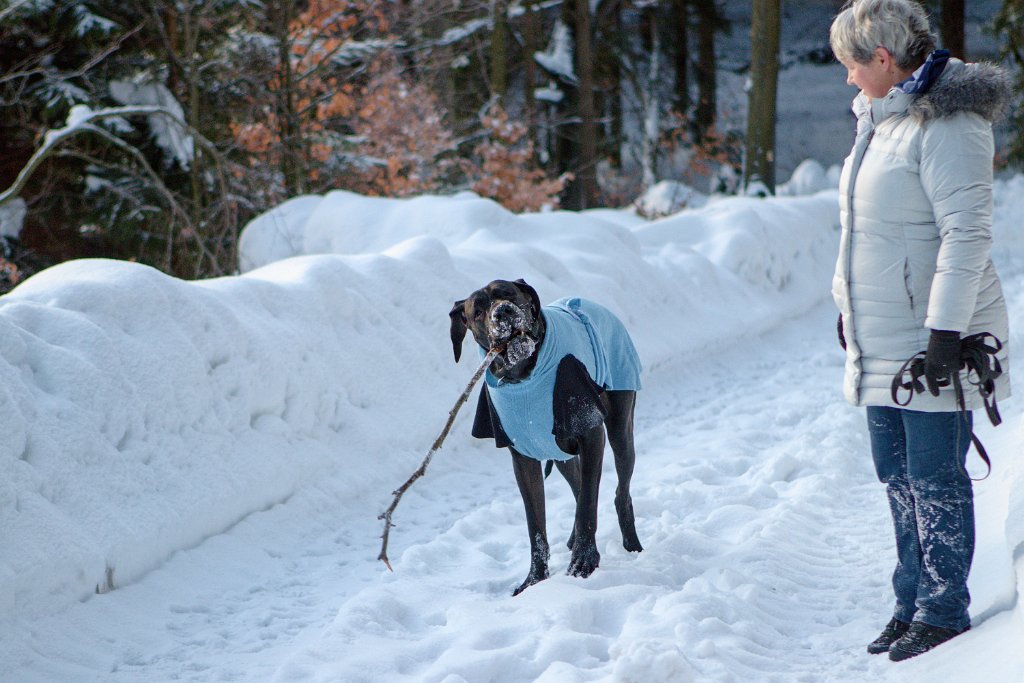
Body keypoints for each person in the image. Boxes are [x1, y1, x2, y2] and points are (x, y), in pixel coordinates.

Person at [828, 0, 1012, 662]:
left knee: (934, 474)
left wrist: (944, 331)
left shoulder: (949, 123)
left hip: (933, 337)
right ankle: (910, 599)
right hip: (882, 335)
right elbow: (866, 228)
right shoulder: (881, 121)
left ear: (883, 59)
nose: (847, 78)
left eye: (852, 65)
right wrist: (846, 305)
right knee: (896, 473)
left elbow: (966, 235)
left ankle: (942, 607)